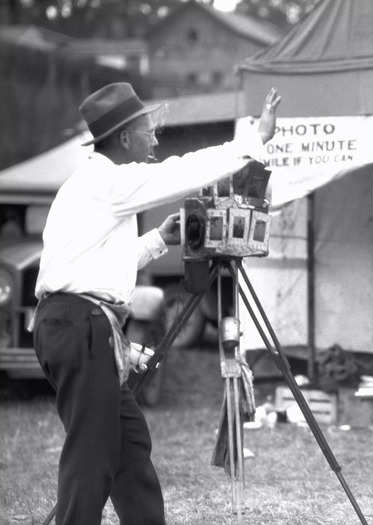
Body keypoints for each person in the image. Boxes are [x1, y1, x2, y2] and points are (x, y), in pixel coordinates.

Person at [32, 82, 281, 525]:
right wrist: (251, 141)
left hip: (78, 322)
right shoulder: (107, 181)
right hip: (79, 326)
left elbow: (101, 267)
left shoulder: (95, 188)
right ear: (125, 137)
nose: (155, 140)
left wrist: (157, 240)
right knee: (93, 454)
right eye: (148, 131)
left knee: (128, 447)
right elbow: (177, 173)